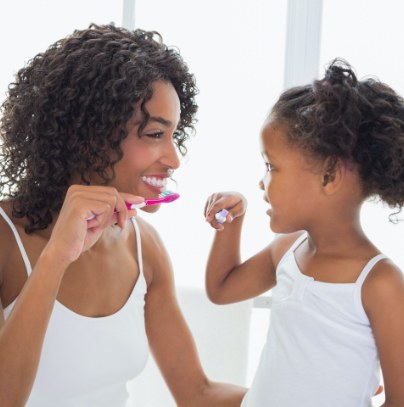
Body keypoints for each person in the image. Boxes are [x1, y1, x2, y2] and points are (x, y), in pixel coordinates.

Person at [0, 23, 246, 407]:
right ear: (90, 135)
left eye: (174, 136)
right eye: (153, 134)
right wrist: (56, 257)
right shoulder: (4, 238)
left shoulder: (145, 246)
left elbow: (198, 394)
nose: (174, 158)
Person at [204, 59, 404, 407]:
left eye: (271, 166)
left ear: (329, 176)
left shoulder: (381, 284)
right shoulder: (287, 250)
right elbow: (221, 289)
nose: (261, 182)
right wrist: (231, 224)